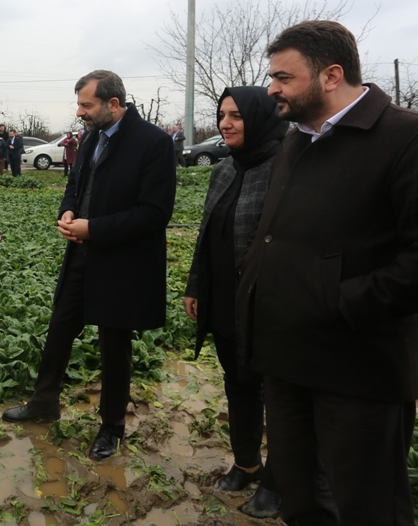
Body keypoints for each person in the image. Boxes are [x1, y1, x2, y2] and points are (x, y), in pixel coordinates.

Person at [236, 21, 418, 524]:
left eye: (283, 78)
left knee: (366, 507)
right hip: (286, 361)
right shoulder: (297, 142)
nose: (272, 89)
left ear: (331, 76)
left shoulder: (415, 138)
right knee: (300, 501)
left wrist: (340, 302)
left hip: (358, 371)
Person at [2, 70, 175, 463]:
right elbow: (75, 185)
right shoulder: (92, 138)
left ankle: (111, 426)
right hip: (82, 254)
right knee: (60, 326)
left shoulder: (153, 143)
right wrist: (68, 210)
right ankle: (44, 402)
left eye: (86, 105)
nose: (80, 112)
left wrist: (93, 228)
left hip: (122, 261)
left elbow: (154, 213)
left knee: (114, 344)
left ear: (113, 103)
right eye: (79, 104)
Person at [183, 87, 286, 518]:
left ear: (260, 119)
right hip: (226, 300)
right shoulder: (224, 169)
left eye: (236, 116)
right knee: (238, 382)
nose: (225, 124)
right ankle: (246, 462)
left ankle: (280, 479)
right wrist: (196, 285)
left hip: (270, 305)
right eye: (222, 115)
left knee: (279, 394)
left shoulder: (284, 166)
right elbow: (208, 234)